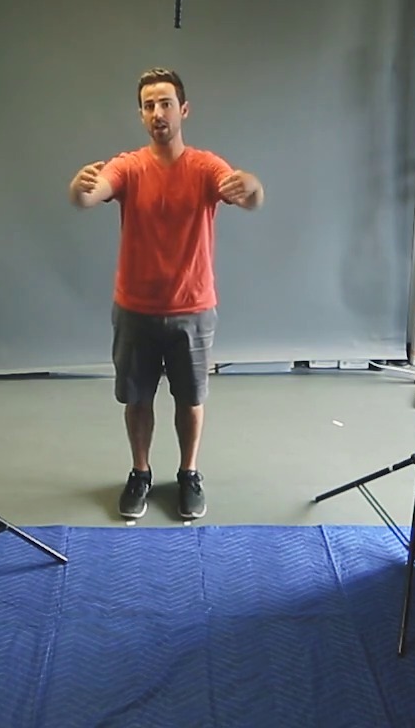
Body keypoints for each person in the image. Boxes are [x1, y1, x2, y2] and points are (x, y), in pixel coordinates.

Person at [69, 68, 262, 521]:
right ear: (141, 115)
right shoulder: (129, 166)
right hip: (135, 308)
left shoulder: (205, 167)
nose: (158, 113)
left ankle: (188, 473)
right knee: (137, 398)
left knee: (190, 399)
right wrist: (80, 190)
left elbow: (247, 195)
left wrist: (252, 186)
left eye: (166, 104)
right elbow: (91, 194)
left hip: (193, 307)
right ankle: (140, 472)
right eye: (149, 106)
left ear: (183, 110)